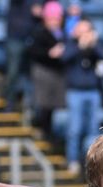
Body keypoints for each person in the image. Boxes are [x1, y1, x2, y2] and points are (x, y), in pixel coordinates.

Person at [62, 17, 103, 173]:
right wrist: (80, 46)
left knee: (93, 130)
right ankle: (73, 160)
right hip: (75, 92)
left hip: (93, 91)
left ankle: (91, 163)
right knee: (75, 128)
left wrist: (93, 44)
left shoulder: (95, 46)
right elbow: (64, 58)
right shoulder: (70, 44)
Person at [28, 2, 68, 144]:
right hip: (44, 71)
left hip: (58, 72)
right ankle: (45, 131)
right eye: (51, 18)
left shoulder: (62, 34)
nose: (54, 21)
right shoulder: (39, 32)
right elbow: (33, 51)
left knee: (56, 105)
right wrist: (49, 53)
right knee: (45, 103)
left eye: (57, 19)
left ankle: (54, 133)